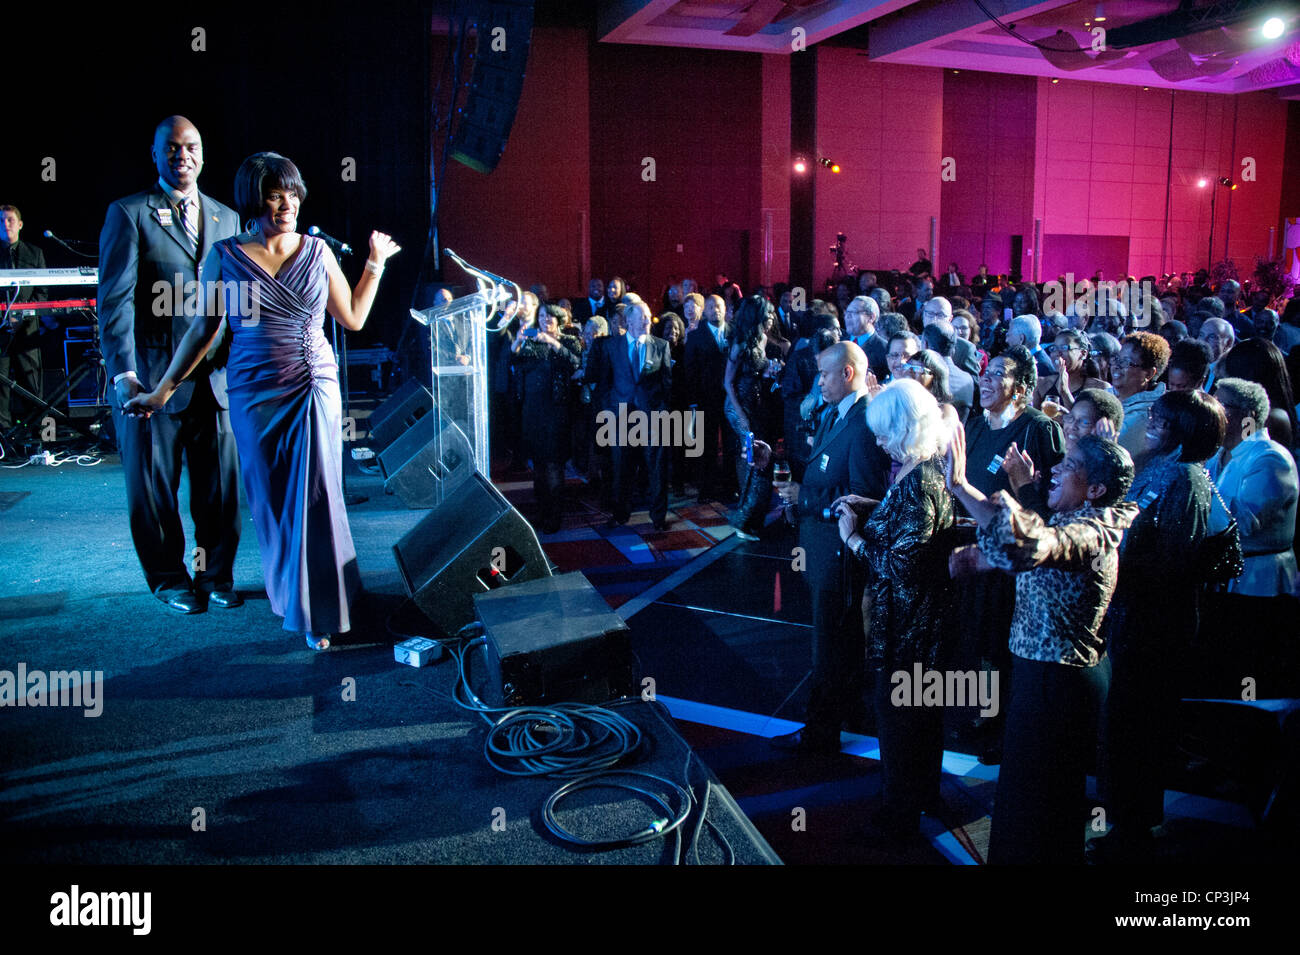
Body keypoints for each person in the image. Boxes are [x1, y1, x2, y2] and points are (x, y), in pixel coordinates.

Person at [125, 151, 400, 650]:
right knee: (273, 504)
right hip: (252, 394)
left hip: (312, 384)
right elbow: (201, 332)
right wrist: (162, 389)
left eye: (292, 194)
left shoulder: (318, 253)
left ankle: (321, 612)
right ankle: (294, 594)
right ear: (254, 201)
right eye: (274, 195)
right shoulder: (224, 256)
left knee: (315, 499)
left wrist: (375, 266)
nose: (286, 204)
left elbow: (354, 318)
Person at [947, 430, 1138, 864]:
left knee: (1038, 806)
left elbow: (1031, 544)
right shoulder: (1079, 519)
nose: (1053, 470)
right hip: (1048, 675)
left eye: (1068, 466)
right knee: (1031, 800)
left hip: (1059, 681)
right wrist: (964, 495)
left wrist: (961, 485)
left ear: (1096, 490)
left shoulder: (1090, 532)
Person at [99, 116, 243, 615]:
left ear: (203, 154)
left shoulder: (228, 218)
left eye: (192, 147)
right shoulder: (130, 213)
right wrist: (124, 375)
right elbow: (114, 304)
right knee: (154, 490)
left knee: (220, 489)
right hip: (152, 381)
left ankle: (215, 575)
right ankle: (168, 579)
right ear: (156, 155)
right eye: (172, 149)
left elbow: (236, 303)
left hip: (216, 382)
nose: (183, 156)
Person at [1094, 389, 1224, 862]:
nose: (1151, 421)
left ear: (1185, 430)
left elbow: (1172, 560)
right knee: (1122, 726)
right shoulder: (1156, 466)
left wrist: (1115, 567)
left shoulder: (1186, 478)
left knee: (1137, 728)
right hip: (1130, 617)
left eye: (1163, 419)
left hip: (1153, 626)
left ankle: (1133, 833)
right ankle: (1123, 821)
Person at [834, 379, 957, 840]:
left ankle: (899, 814)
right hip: (917, 623)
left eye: (885, 433)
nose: (879, 442)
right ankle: (921, 796)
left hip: (909, 627)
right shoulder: (920, 470)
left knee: (901, 721)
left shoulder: (918, 481)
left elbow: (902, 566)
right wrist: (874, 506)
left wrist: (854, 538)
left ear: (906, 428)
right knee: (920, 717)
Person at [767, 341, 891, 753]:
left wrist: (804, 498)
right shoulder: (836, 413)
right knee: (841, 640)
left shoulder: (864, 424)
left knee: (830, 646)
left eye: (824, 374)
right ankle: (848, 710)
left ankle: (821, 733)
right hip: (821, 551)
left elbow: (864, 496)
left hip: (837, 557)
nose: (818, 381)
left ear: (848, 374)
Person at [1207, 378, 1299, 597]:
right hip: (1223, 579)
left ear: (1248, 415)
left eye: (1220, 405)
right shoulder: (1216, 454)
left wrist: (1199, 486)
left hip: (1258, 585)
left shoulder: (1270, 458)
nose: (1212, 411)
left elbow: (1247, 523)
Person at [587, 300, 673, 530]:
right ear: (630, 320)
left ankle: (658, 518)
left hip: (652, 417)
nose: (648, 321)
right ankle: (620, 514)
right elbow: (604, 383)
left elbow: (667, 384)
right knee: (621, 468)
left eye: (649, 316)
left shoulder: (661, 345)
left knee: (656, 469)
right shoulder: (611, 346)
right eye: (643, 317)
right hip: (621, 417)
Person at [512, 304, 582, 534]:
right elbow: (514, 362)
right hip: (532, 410)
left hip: (556, 410)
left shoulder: (568, 340)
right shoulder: (531, 342)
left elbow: (574, 363)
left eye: (550, 317)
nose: (545, 320)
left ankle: (554, 515)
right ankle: (541, 513)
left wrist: (552, 342)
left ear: (558, 319)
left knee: (553, 464)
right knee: (539, 465)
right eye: (541, 317)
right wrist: (518, 340)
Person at [723, 295, 783, 540]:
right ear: (755, 316)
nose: (770, 318)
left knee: (758, 458)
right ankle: (744, 520)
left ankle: (751, 517)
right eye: (766, 314)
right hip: (738, 407)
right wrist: (742, 416)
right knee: (756, 458)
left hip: (756, 405)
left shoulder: (763, 339)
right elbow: (727, 383)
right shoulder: (740, 343)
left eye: (771, 314)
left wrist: (771, 370)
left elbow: (758, 373)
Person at [0, 204, 48, 433]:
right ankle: (3, 438)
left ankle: (35, 435)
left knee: (30, 382)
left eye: (10, 220)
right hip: (0, 329)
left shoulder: (34, 253)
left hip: (27, 328)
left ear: (19, 224)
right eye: (1, 220)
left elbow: (42, 293)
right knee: (1, 385)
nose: (5, 224)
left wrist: (23, 314)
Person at [1112, 331, 1170, 461]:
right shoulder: (1108, 394)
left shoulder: (1147, 414)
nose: (1116, 366)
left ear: (1149, 374)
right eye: (1117, 359)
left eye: (1126, 362)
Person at [1033, 329, 1108, 412]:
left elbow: (1083, 421)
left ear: (1083, 353)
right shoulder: (1041, 384)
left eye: (1064, 347)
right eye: (1054, 348)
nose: (1057, 353)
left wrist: (1065, 393)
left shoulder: (1099, 389)